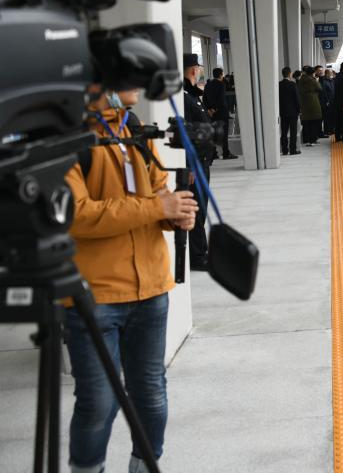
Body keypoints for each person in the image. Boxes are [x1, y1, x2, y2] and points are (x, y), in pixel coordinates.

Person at [64, 88, 198, 473]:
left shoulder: (133, 128)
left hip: (152, 290)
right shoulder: (68, 135)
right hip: (93, 297)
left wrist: (174, 216)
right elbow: (75, 215)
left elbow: (158, 189)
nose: (141, 85)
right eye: (132, 74)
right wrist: (158, 207)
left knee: (151, 394)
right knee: (97, 402)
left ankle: (144, 466)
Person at [183, 53, 216, 271]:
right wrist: (188, 166)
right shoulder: (184, 96)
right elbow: (183, 134)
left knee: (201, 209)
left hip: (203, 160)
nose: (200, 70)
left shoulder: (193, 95)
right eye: (198, 66)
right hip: (195, 164)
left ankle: (200, 251)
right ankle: (198, 256)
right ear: (193, 69)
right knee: (196, 209)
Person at [202, 67, 237, 160]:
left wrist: (209, 109)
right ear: (221, 75)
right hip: (221, 112)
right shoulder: (221, 84)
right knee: (224, 133)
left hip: (211, 114)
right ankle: (226, 153)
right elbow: (221, 100)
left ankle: (213, 153)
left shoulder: (208, 84)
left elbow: (204, 98)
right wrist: (215, 108)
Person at [278, 66, 301, 155]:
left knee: (283, 132)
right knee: (293, 131)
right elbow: (297, 98)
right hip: (293, 112)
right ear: (290, 74)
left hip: (283, 112)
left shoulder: (278, 85)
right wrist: (299, 109)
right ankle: (292, 150)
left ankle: (284, 150)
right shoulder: (293, 84)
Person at [298, 66, 323, 147]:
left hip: (304, 103)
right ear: (312, 73)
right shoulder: (312, 80)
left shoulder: (301, 80)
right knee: (313, 122)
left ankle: (307, 140)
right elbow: (320, 88)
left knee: (306, 123)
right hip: (313, 102)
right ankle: (312, 140)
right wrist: (317, 81)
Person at [321, 68, 336, 136]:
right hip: (328, 102)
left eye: (332, 73)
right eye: (330, 73)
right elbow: (324, 93)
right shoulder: (324, 82)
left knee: (332, 116)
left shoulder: (331, 81)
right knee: (327, 117)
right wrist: (327, 101)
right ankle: (327, 131)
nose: (331, 74)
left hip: (333, 102)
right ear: (327, 74)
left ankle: (331, 129)